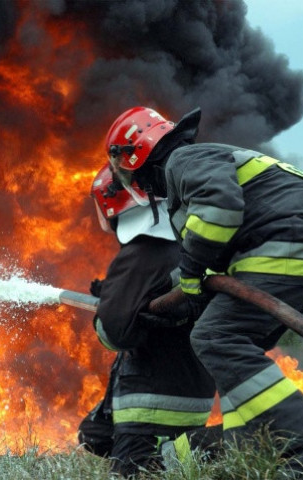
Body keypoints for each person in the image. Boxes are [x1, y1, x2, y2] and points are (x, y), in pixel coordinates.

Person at [103, 105, 303, 478]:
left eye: (123, 169)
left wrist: (193, 275)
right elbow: (218, 251)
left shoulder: (184, 160)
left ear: (135, 155)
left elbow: (220, 211)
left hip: (292, 241)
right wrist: (182, 298)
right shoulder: (197, 166)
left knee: (216, 337)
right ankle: (261, 450)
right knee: (235, 350)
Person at [78, 163, 220, 477]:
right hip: (191, 392)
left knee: (136, 472)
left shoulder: (141, 251)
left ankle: (194, 452)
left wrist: (107, 311)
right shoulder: (185, 246)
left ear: (111, 204)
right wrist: (116, 296)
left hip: (152, 401)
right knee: (94, 435)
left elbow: (115, 334)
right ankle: (176, 454)